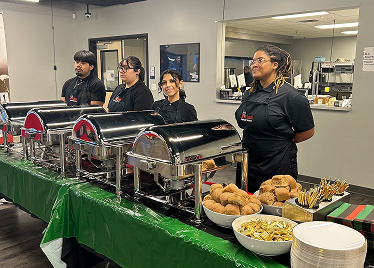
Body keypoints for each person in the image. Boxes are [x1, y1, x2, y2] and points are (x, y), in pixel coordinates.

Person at [235, 44, 315, 193]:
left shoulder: (292, 97)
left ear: (274, 65)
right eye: (253, 61)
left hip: (276, 163)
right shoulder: (249, 94)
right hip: (248, 160)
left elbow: (307, 131)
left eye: (260, 60)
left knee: (274, 207)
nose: (254, 65)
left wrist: (281, 142)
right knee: (247, 205)